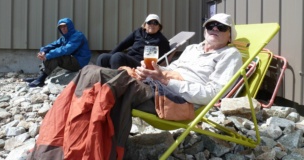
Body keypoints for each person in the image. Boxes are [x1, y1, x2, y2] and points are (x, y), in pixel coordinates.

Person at [26, 13, 242, 160]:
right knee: (90, 73)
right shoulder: (193, 48)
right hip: (156, 85)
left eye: (220, 27)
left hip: (177, 99)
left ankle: (78, 149)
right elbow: (171, 67)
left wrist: (166, 80)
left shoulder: (230, 55)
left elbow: (214, 93)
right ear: (204, 29)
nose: (214, 28)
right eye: (210, 25)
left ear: (229, 34)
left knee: (97, 75)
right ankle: (60, 144)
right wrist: (151, 72)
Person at [23, 17, 92, 88]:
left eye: (65, 26)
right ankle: (39, 77)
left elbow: (67, 49)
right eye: (61, 27)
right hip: (72, 60)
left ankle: (41, 79)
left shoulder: (77, 36)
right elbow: (52, 45)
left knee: (56, 55)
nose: (63, 29)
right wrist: (43, 51)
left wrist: (48, 55)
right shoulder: (64, 38)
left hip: (80, 63)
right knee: (51, 53)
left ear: (70, 26)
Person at [96, 14, 170, 69]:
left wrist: (153, 67)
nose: (152, 25)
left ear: (159, 27)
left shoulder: (161, 40)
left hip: (141, 63)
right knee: (103, 57)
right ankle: (98, 83)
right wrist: (110, 55)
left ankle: (116, 84)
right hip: (130, 57)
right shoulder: (138, 32)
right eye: (150, 22)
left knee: (117, 56)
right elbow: (123, 44)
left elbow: (166, 56)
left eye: (155, 23)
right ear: (145, 25)